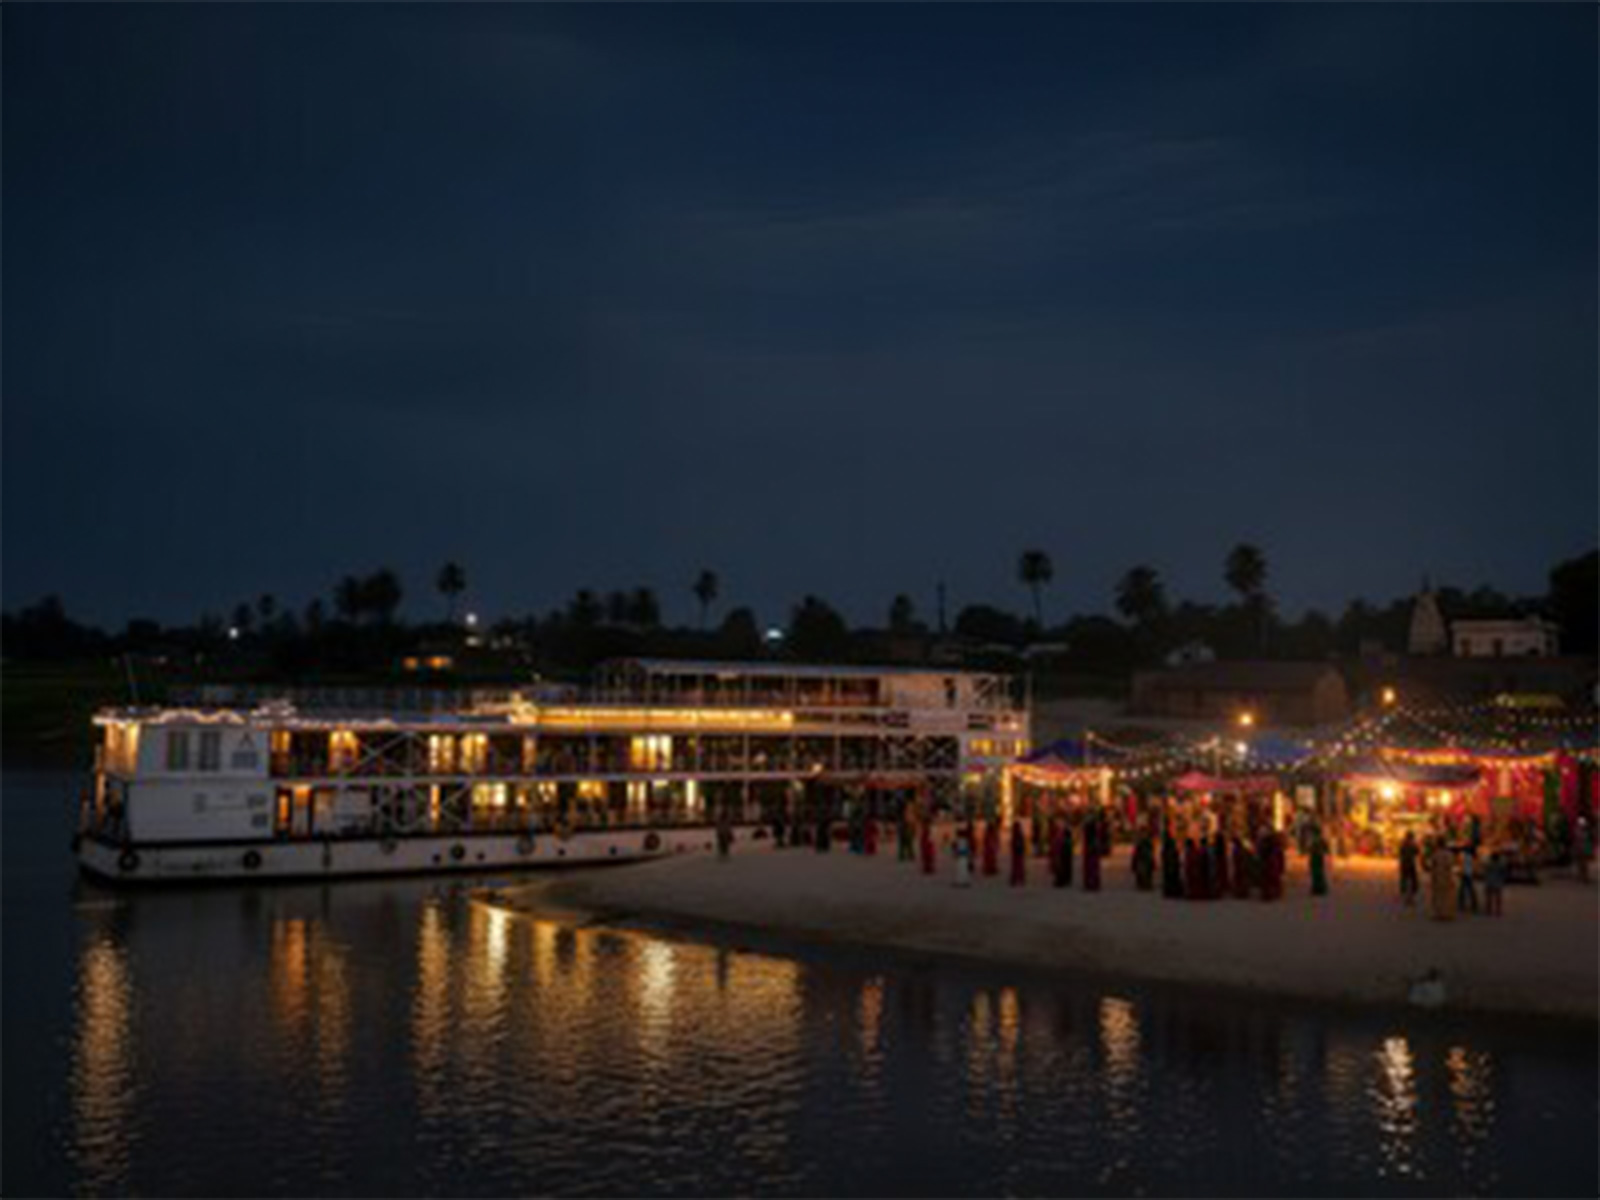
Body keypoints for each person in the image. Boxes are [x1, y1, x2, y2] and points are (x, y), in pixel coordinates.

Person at [1428, 837, 1456, 922]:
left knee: (1437, 895)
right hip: (1447, 876)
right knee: (1447, 895)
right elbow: (1450, 864)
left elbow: (1432, 865)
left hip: (1437, 875)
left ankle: (1438, 913)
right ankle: (1447, 913)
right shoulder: (1449, 854)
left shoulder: (1435, 854)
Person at [1398, 831, 1420, 905]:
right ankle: (1411, 895)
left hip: (1404, 864)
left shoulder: (1403, 844)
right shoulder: (1413, 844)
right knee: (1413, 879)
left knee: (1404, 879)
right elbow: (1417, 852)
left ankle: (1405, 892)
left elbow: (1400, 853)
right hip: (1410, 864)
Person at [1457, 845, 1479, 915]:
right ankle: (1474, 904)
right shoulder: (1472, 857)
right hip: (1469, 873)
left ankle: (1461, 904)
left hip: (1464, 874)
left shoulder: (1463, 856)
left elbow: (1460, 864)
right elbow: (1474, 865)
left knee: (1462, 890)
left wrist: (1460, 871)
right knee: (1470, 889)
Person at [1161, 829, 1182, 898]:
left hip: (1170, 862)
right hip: (1171, 862)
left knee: (1170, 876)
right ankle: (1172, 891)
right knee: (1171, 876)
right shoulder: (1171, 842)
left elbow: (1164, 853)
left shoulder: (1168, 843)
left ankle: (1170, 891)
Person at [1484, 849, 1506, 917]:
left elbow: (1485, 871)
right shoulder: (1501, 864)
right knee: (1498, 896)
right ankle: (1498, 910)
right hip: (1498, 881)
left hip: (1489, 881)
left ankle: (1488, 910)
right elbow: (1503, 872)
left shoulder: (1488, 863)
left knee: (1489, 896)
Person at [1082, 816, 1102, 892]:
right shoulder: (1094, 832)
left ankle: (1091, 883)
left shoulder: (1090, 832)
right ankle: (1093, 883)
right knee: (1093, 868)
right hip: (1092, 850)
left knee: (1091, 867)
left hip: (1091, 850)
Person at [1309, 826, 1328, 897]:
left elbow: (1311, 848)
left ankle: (1317, 888)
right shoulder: (1321, 839)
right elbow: (1326, 848)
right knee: (1319, 873)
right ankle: (1320, 888)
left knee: (1316, 873)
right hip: (1319, 857)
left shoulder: (1314, 840)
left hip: (1315, 857)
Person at [1211, 830, 1230, 898]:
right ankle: (1221, 888)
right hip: (1221, 860)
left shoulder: (1216, 846)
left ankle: (1219, 890)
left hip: (1218, 861)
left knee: (1219, 875)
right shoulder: (1221, 846)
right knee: (1221, 875)